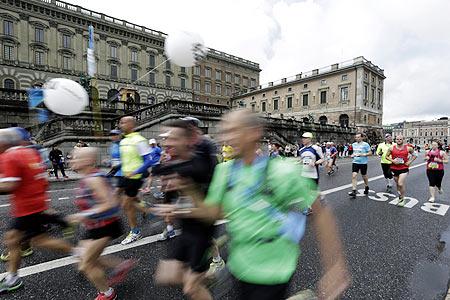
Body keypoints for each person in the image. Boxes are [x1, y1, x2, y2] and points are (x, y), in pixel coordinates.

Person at [157, 110, 350, 300]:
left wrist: (335, 267)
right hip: (239, 264)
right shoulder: (224, 171)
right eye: (225, 132)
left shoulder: (282, 170)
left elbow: (321, 212)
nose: (226, 138)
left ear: (254, 132)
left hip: (274, 269)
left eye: (233, 131)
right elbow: (212, 214)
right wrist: (186, 193)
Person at [0, 128, 73, 293]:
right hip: (36, 204)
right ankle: (13, 277)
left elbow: (10, 185)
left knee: (23, 240)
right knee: (23, 240)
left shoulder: (10, 156)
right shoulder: (30, 153)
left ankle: (13, 279)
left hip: (26, 208)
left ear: (3, 143)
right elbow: (43, 180)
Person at [153, 119, 218, 300]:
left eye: (172, 139)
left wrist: (176, 208)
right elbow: (165, 179)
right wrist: (170, 204)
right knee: (166, 275)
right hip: (186, 229)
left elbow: (209, 213)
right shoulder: (175, 164)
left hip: (202, 232)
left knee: (191, 288)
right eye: (165, 138)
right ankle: (206, 276)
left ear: (188, 141)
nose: (167, 143)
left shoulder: (199, 166)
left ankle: (201, 278)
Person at [68, 147, 136, 300]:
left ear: (88, 161)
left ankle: (107, 293)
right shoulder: (88, 177)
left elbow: (110, 203)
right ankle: (120, 266)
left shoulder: (94, 179)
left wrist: (82, 215)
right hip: (94, 226)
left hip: (104, 227)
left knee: (87, 264)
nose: (71, 160)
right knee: (82, 256)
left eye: (75, 157)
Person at [118, 116, 155, 245]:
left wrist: (135, 172)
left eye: (123, 122)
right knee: (128, 203)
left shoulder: (139, 140)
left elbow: (149, 160)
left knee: (127, 205)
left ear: (131, 124)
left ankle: (135, 232)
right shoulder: (123, 141)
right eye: (120, 122)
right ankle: (149, 211)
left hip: (135, 177)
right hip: (125, 176)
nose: (120, 124)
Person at [385, 135, 417, 207]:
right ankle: (400, 196)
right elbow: (386, 156)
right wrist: (393, 160)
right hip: (394, 168)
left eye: (400, 139)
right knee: (397, 184)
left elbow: (415, 155)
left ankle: (402, 198)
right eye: (397, 139)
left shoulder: (409, 148)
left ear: (403, 140)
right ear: (395, 140)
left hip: (404, 168)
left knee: (400, 183)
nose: (399, 140)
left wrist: (410, 162)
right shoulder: (391, 148)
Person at [298, 132, 325, 216]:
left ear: (309, 139)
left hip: (313, 174)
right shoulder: (301, 150)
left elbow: (323, 159)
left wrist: (315, 163)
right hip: (304, 173)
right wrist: (298, 162)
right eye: (302, 138)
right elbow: (302, 160)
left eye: (305, 138)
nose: (303, 139)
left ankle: (319, 197)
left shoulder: (316, 148)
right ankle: (309, 208)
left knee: (312, 192)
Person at [348, 133, 372, 198]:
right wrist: (352, 155)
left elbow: (370, 153)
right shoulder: (353, 144)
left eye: (358, 137)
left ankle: (366, 186)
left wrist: (363, 154)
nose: (357, 138)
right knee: (354, 175)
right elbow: (353, 153)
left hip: (363, 163)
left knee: (364, 176)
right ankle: (354, 191)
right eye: (356, 137)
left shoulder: (366, 144)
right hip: (355, 162)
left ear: (362, 138)